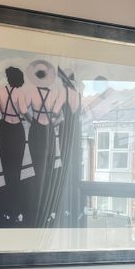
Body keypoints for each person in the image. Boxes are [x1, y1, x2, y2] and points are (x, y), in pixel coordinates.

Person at [24, 60, 62, 228]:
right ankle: (47, 208)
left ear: (35, 77)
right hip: (49, 133)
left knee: (37, 169)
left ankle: (37, 209)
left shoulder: (30, 91)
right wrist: (50, 124)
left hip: (36, 131)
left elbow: (23, 111)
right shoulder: (54, 94)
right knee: (48, 169)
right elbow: (60, 117)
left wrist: (34, 121)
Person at [0, 66, 30, 224]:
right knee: (17, 172)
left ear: (8, 78)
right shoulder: (20, 93)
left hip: (5, 130)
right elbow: (25, 113)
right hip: (18, 131)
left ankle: (8, 211)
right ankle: (17, 211)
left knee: (7, 172)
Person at [56, 67, 83, 226]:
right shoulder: (78, 95)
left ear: (65, 81)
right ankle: (72, 208)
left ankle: (63, 207)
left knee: (64, 166)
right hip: (75, 134)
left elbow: (56, 114)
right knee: (73, 169)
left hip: (65, 132)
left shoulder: (64, 94)